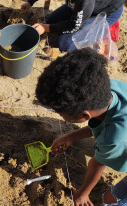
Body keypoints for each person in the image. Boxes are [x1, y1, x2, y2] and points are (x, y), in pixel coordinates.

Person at [35, 48, 127, 205]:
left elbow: (96, 165)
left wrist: (83, 194)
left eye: (60, 113)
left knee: (111, 201)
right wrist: (70, 136)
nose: (59, 116)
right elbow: (101, 123)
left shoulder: (114, 138)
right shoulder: (108, 88)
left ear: (84, 116)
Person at [21, 0, 124, 52]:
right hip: (82, 6)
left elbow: (74, 25)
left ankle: (100, 30)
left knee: (64, 43)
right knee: (51, 20)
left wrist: (45, 28)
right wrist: (30, 2)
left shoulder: (85, 1)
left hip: (106, 11)